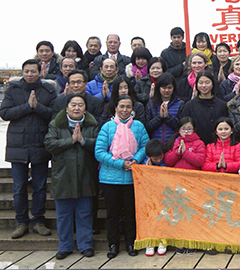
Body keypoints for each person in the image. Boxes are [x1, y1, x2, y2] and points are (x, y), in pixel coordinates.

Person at [0, 59, 57, 239]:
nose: (30, 74)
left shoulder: (48, 90)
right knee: (19, 187)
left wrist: (37, 107)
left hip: (40, 143)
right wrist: (27, 107)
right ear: (23, 72)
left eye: (34, 71)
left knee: (40, 187)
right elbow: (5, 113)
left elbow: (53, 114)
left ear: (41, 72)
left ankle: (38, 220)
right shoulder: (13, 90)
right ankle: (21, 222)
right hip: (18, 144)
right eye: (27, 71)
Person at [95, 95, 149, 259]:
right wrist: (120, 164)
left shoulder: (138, 126)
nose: (125, 110)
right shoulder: (108, 127)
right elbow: (99, 152)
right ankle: (113, 244)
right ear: (116, 108)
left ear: (132, 109)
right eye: (121, 107)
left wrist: (135, 160)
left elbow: (145, 146)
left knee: (131, 212)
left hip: (132, 177)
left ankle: (131, 243)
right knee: (113, 213)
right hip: (110, 178)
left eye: (128, 107)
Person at [45, 94, 98, 259]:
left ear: (85, 108)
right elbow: (49, 144)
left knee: (84, 213)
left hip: (85, 174)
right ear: (67, 107)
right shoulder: (56, 124)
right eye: (73, 105)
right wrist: (71, 140)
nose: (76, 108)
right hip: (63, 175)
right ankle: (65, 246)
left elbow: (99, 144)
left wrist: (83, 141)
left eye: (80, 105)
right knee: (63, 214)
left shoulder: (92, 124)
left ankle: (85, 244)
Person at [180, 71, 228, 145]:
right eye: (201, 83)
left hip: (216, 145)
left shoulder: (221, 105)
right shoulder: (189, 106)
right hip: (195, 146)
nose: (204, 85)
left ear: (212, 84)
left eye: (207, 82)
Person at [142, 139, 168, 257]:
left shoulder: (165, 163)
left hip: (163, 196)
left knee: (163, 218)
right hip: (148, 197)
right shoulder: (143, 164)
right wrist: (147, 170)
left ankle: (163, 241)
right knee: (150, 218)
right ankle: (150, 242)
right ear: (149, 156)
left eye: (159, 157)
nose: (158, 160)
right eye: (155, 159)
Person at [145, 73, 183, 147]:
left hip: (173, 145)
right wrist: (160, 117)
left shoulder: (180, 104)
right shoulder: (151, 104)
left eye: (169, 88)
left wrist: (167, 117)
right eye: (164, 88)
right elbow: (147, 127)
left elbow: (180, 126)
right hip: (155, 146)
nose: (166, 90)